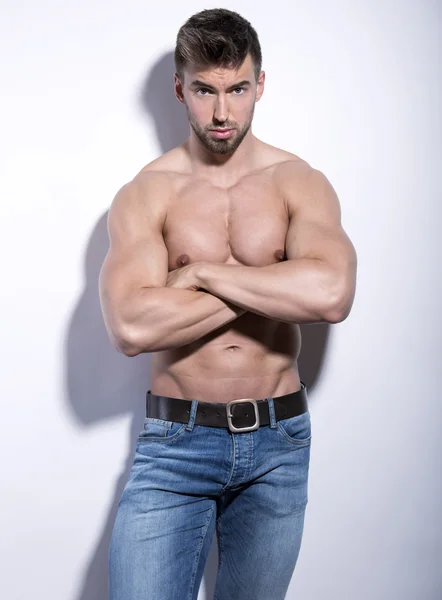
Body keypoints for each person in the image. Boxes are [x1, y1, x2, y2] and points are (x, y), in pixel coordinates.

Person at [99, 8, 357, 600]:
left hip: (278, 444)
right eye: (205, 91)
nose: (222, 112)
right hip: (175, 446)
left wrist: (202, 276)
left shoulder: (299, 181)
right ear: (179, 89)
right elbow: (132, 326)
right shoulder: (146, 192)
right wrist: (272, 281)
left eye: (238, 89)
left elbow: (332, 294)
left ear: (259, 84)